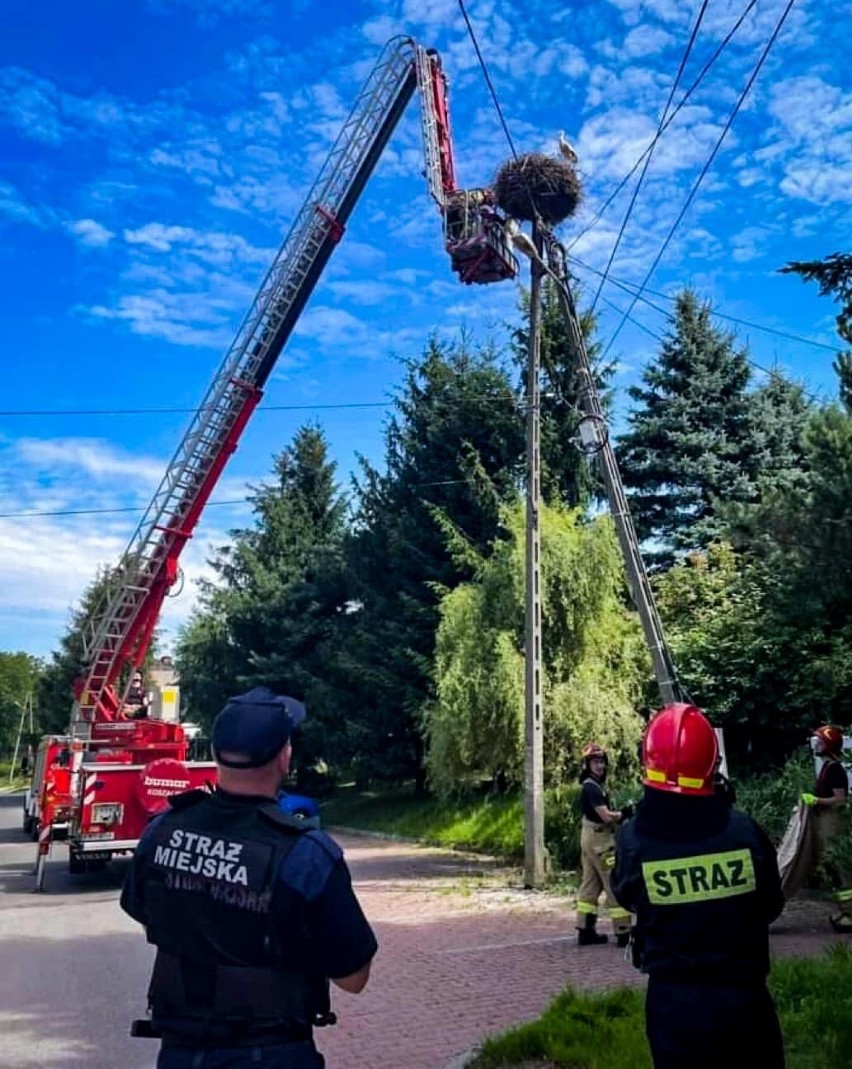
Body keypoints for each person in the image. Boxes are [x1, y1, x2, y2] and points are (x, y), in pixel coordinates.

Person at [121, 686, 378, 1068]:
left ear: (215, 754)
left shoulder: (160, 832)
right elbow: (352, 977)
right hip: (271, 1053)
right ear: (284, 756)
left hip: (180, 1053)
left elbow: (138, 907)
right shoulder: (306, 854)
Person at [612, 703, 785, 1069]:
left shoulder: (634, 840)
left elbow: (626, 895)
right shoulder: (745, 833)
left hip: (675, 1008)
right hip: (745, 1000)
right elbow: (771, 905)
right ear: (712, 764)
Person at [575, 741, 632, 947]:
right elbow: (606, 816)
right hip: (601, 841)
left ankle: (585, 929)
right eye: (595, 762)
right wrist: (625, 813)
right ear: (587, 764)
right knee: (614, 881)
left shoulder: (590, 785)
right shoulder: (592, 788)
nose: (599, 766)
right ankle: (623, 931)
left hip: (588, 838)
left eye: (601, 762)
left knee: (590, 884)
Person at [800, 724, 850, 933]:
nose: (817, 745)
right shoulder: (827, 767)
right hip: (825, 822)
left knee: (840, 869)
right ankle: (844, 910)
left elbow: (840, 799)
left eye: (820, 741)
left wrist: (816, 800)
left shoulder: (835, 769)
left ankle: (848, 913)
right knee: (831, 868)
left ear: (828, 745)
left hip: (834, 822)